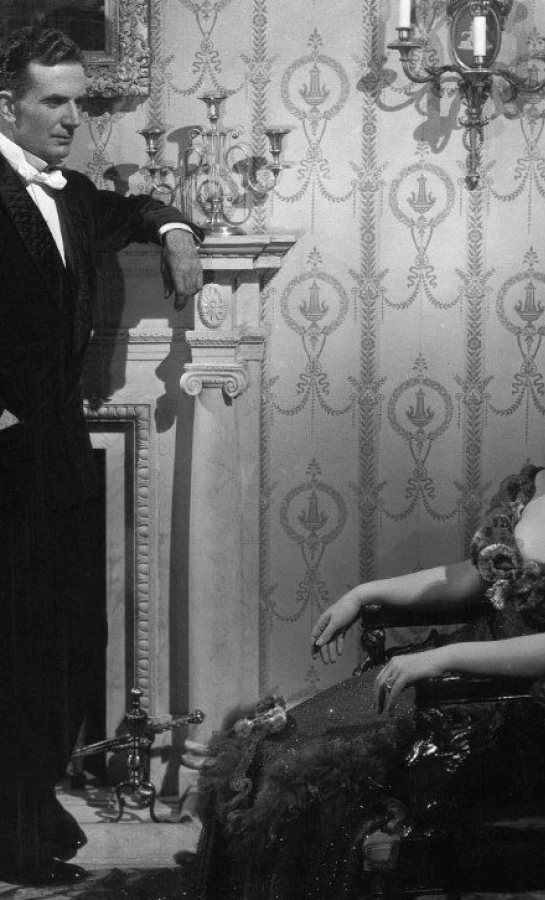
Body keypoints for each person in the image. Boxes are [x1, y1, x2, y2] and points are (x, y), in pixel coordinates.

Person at [194, 306, 545, 900]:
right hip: (447, 671)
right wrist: (365, 592)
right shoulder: (540, 486)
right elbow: (472, 578)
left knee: (299, 773)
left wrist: (437, 659)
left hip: (513, 706)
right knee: (265, 746)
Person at [0, 26, 204, 886]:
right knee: (14, 652)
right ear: (8, 104)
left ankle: (29, 810)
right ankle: (14, 834)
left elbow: (140, 209)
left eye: (78, 102)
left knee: (68, 644)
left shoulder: (74, 195)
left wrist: (179, 231)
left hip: (62, 453)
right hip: (7, 458)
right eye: (53, 101)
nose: (71, 119)